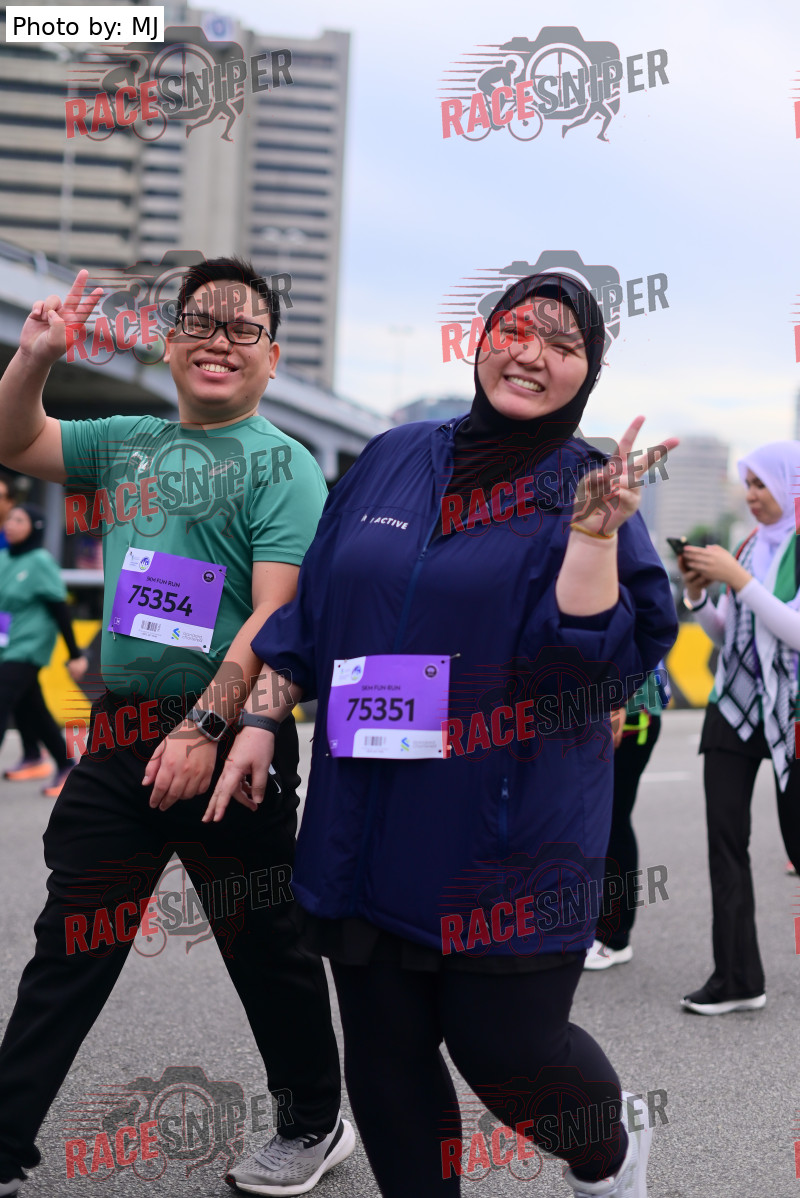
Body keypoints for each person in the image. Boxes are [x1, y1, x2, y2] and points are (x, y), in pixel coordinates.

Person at [206, 273, 679, 1198]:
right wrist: (262, 713)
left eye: (564, 344)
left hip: (508, 833)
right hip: (365, 821)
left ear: (587, 374)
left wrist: (591, 539)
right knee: (386, 1058)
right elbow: (314, 611)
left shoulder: (588, 486)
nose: (533, 355)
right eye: (517, 330)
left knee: (510, 1054)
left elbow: (590, 677)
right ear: (482, 340)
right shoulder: (392, 456)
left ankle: (608, 1152)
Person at [0, 258, 351, 1197]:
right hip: (121, 735)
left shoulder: (283, 465)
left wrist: (204, 727)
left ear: (272, 356)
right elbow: (17, 438)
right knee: (70, 943)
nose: (219, 342)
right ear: (168, 344)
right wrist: (35, 358)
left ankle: (314, 1124)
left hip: (232, 736)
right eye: (201, 323)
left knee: (265, 947)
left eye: (243, 329)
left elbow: (276, 616)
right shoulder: (128, 442)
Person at [678, 442, 800, 1015]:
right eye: (746, 484)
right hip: (733, 706)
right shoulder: (749, 546)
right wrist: (698, 592)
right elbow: (730, 634)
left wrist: (740, 579)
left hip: (791, 712)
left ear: (789, 485)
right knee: (725, 843)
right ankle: (737, 979)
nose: (751, 496)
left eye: (760, 484)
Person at [584, 665, 670, 969]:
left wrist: (617, 701)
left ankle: (614, 938)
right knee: (591, 822)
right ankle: (591, 929)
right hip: (594, 707)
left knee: (613, 820)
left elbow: (644, 641)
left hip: (630, 711)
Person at [0, 502, 88, 796]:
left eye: (19, 520)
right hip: (6, 644)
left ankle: (56, 763)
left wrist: (75, 655)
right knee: (30, 706)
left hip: (29, 645)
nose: (10, 524)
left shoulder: (40, 561)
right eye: (10, 519)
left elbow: (59, 608)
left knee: (3, 699)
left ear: (35, 528)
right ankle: (57, 763)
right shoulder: (3, 558)